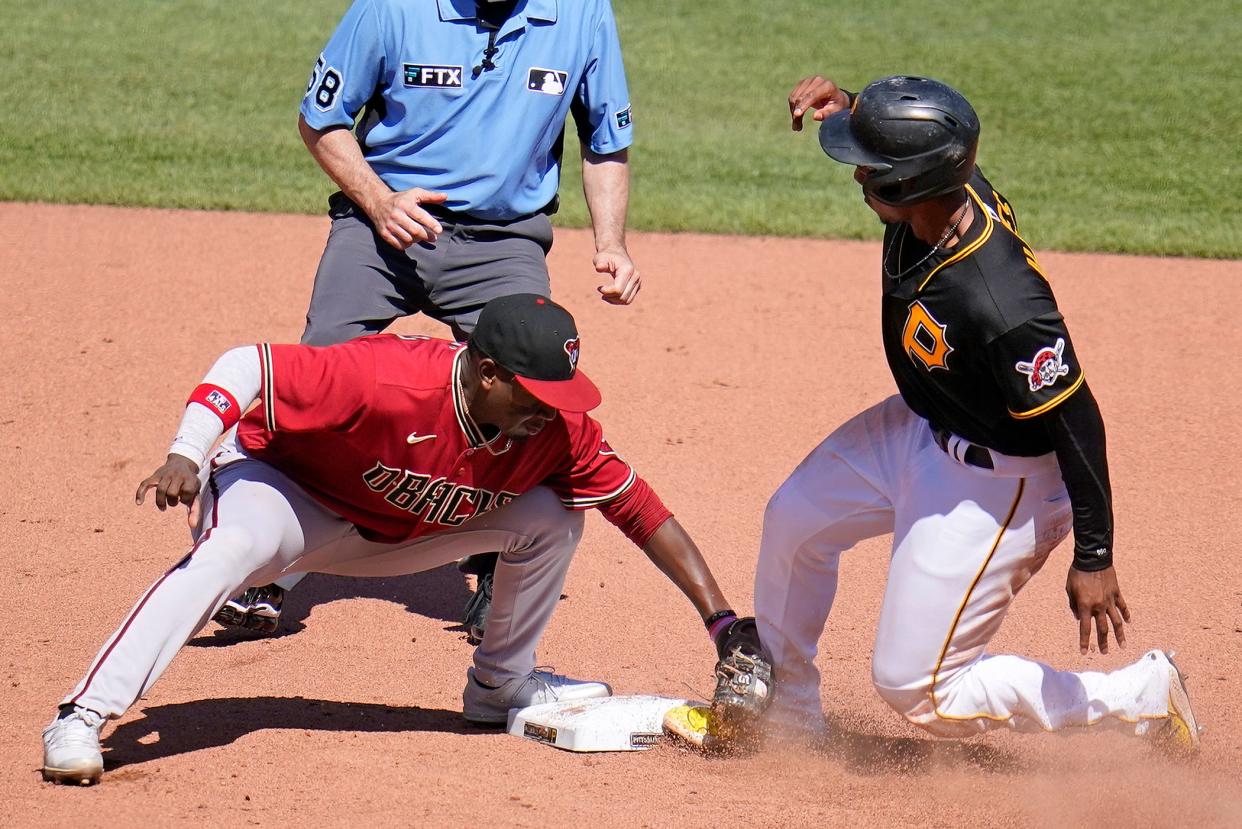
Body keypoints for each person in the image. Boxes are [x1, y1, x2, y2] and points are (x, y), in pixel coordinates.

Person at [41, 295, 766, 785]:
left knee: (552, 517)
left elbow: (640, 510)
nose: (553, 415)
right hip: (283, 495)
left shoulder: (556, 431)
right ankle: (82, 714)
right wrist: (187, 451)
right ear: (488, 374)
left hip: (391, 533)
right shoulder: (387, 377)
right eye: (539, 398)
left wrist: (724, 621)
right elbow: (248, 364)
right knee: (231, 552)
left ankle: (498, 688)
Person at [752, 74, 1200, 750]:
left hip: (999, 484)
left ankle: (1138, 696)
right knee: (794, 519)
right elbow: (923, 136)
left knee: (918, 689)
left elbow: (1077, 418)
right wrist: (850, 107)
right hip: (921, 425)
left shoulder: (1002, 303)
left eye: (868, 164)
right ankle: (788, 713)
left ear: (907, 186)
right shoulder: (942, 188)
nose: (857, 174)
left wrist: (1095, 552)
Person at [217, 0, 642, 640]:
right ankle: (273, 561)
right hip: (381, 225)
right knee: (318, 376)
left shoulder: (581, 13)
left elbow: (607, 140)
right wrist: (377, 200)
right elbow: (320, 117)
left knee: (532, 397)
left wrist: (611, 242)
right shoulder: (391, 8)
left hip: (504, 240)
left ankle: (500, 567)